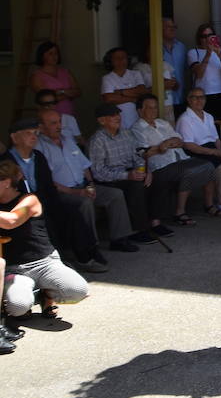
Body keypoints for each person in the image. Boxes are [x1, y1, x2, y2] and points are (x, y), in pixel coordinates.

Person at [6, 116, 106, 273]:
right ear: (14, 137)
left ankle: (86, 255)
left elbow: (48, 186)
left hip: (43, 201)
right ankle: (60, 261)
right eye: (28, 133)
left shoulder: (38, 157)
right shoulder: (6, 161)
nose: (33, 137)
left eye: (35, 133)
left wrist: (53, 204)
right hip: (18, 206)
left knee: (75, 208)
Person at [35, 108, 138, 254]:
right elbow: (47, 181)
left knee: (115, 195)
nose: (59, 126)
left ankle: (120, 239)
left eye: (59, 122)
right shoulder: (39, 147)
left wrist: (91, 185)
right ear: (41, 127)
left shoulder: (67, 139)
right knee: (84, 202)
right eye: (53, 123)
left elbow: (84, 166)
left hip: (83, 186)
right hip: (62, 192)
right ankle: (91, 247)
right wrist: (75, 192)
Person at [0, 160, 88, 322]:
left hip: (44, 262)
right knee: (18, 308)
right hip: (14, 269)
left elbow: (12, 220)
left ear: (6, 182)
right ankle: (30, 295)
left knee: (78, 291)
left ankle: (46, 293)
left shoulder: (30, 200)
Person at [130, 94, 214, 227]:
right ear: (140, 111)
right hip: (161, 166)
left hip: (180, 159)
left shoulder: (163, 123)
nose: (154, 111)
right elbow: (144, 152)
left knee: (209, 165)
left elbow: (180, 141)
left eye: (155, 108)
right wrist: (161, 147)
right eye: (149, 108)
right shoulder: (136, 129)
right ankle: (179, 212)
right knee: (189, 171)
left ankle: (208, 205)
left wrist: (167, 143)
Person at [88, 104, 164, 241]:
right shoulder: (97, 140)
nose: (117, 117)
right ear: (101, 120)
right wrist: (127, 176)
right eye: (112, 115)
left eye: (118, 114)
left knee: (156, 179)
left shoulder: (126, 133)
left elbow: (137, 156)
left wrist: (146, 171)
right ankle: (139, 230)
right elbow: (98, 172)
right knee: (136, 187)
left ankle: (155, 223)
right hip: (110, 179)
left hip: (129, 172)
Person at [177, 88, 221, 215]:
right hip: (195, 152)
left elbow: (216, 139)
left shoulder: (208, 116)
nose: (199, 100)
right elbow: (188, 145)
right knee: (216, 161)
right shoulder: (185, 119)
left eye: (202, 97)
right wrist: (214, 153)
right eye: (195, 97)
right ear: (189, 100)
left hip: (212, 149)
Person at [188, 23, 221, 130]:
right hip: (203, 95)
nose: (208, 39)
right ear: (199, 38)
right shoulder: (193, 52)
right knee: (205, 126)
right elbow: (199, 74)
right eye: (204, 36)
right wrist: (208, 54)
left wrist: (220, 55)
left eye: (210, 35)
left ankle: (219, 146)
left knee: (220, 126)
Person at [99, 47, 148, 130]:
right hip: (117, 118)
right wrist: (132, 99)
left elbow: (142, 91)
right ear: (110, 61)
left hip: (136, 116)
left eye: (123, 57)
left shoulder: (135, 74)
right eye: (117, 58)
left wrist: (120, 92)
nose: (121, 60)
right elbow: (109, 98)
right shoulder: (107, 78)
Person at [29, 42, 80, 117]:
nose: (54, 56)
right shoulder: (36, 76)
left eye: (56, 53)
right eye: (50, 54)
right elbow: (45, 99)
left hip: (68, 114)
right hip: (50, 118)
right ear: (42, 56)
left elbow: (78, 92)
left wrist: (61, 91)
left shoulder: (66, 72)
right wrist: (68, 94)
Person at [161, 18, 188, 116]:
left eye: (174, 27)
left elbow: (186, 71)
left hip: (181, 97)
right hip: (163, 100)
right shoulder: (155, 48)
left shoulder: (181, 47)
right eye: (168, 27)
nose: (172, 29)